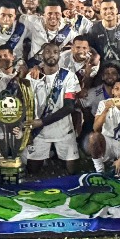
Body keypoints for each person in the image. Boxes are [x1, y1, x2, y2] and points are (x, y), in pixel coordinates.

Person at [25, 41, 80, 171]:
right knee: (32, 170)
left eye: (55, 52)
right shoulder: (32, 76)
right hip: (39, 132)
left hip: (64, 131)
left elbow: (69, 107)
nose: (52, 55)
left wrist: (42, 122)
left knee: (72, 171)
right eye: (48, 52)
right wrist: (28, 131)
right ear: (41, 56)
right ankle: (47, 157)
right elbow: (27, 104)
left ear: (59, 55)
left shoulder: (69, 76)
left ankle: (52, 157)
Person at [86, 78, 120, 173]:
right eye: (116, 89)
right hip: (108, 142)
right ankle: (99, 169)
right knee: (93, 137)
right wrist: (106, 110)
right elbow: (95, 128)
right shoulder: (104, 104)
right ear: (113, 91)